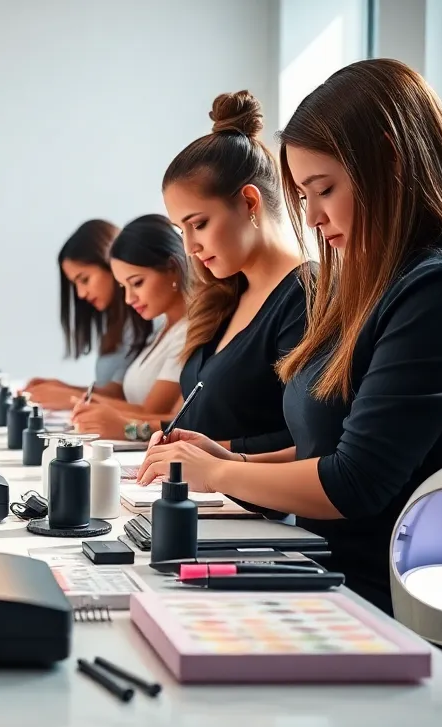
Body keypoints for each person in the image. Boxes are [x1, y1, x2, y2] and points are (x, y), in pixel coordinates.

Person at [138, 59, 442, 611]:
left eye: (324, 190)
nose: (315, 218)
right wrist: (233, 464)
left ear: (391, 163)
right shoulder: (390, 282)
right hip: (337, 569)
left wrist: (219, 470)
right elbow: (339, 447)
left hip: (394, 597)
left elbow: (355, 482)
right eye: (304, 197)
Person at [159, 91, 309, 455]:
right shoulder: (225, 294)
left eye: (199, 224)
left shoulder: (305, 294)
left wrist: (210, 457)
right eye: (182, 230)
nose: (190, 246)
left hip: (264, 509)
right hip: (206, 502)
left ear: (249, 202)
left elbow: (310, 439)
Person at [70, 214, 191, 441]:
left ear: (173, 269)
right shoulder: (162, 329)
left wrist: (124, 427)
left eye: (137, 283)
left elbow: (170, 421)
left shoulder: (190, 332)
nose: (128, 298)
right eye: (123, 286)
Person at [25, 220, 153, 409]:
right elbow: (110, 391)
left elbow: (122, 396)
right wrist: (62, 389)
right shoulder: (116, 322)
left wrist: (68, 396)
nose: (80, 294)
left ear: (110, 265)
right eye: (75, 284)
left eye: (84, 279)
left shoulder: (146, 320)